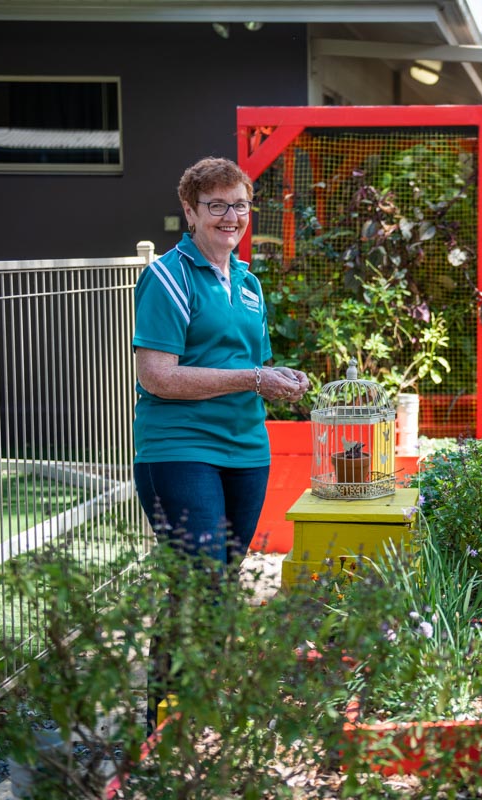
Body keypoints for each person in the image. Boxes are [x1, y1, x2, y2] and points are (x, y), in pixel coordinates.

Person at [132, 156, 309, 728]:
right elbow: (157, 375)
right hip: (180, 446)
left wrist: (275, 376)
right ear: (190, 211)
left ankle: (187, 710)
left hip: (245, 448)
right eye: (217, 206)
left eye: (240, 205)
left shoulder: (251, 282)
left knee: (215, 580)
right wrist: (254, 378)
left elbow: (241, 362)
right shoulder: (167, 277)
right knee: (199, 577)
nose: (231, 217)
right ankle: (169, 719)